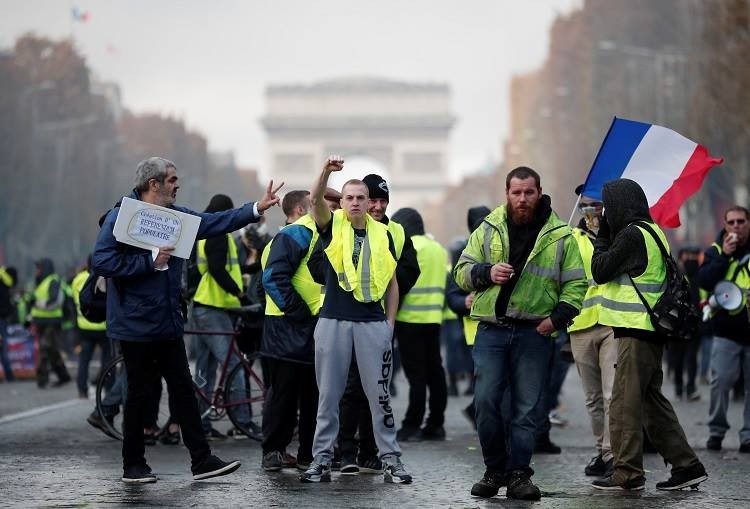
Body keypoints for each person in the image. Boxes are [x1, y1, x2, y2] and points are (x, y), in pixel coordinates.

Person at [93, 156, 282, 483]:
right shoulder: (120, 217)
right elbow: (102, 261)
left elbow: (213, 222)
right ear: (153, 184)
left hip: (166, 320)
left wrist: (256, 208)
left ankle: (201, 459)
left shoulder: (177, 217)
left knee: (183, 388)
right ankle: (133, 465)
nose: (177, 184)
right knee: (138, 393)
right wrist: (149, 261)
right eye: (172, 179)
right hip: (135, 322)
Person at [453, 166, 586, 501]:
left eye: (529, 192)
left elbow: (576, 284)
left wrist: (555, 320)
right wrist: (486, 272)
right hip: (492, 331)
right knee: (485, 403)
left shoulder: (561, 235)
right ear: (507, 193)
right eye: (516, 192)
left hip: (534, 333)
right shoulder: (488, 228)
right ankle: (493, 470)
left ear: (539, 191)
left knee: (527, 410)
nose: (523, 199)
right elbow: (461, 273)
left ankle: (518, 476)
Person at [589, 178, 707, 491]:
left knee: (624, 405)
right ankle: (687, 466)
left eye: (608, 206)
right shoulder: (652, 231)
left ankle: (626, 473)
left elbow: (600, 269)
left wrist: (601, 233)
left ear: (618, 205)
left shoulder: (630, 235)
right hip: (651, 331)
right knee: (651, 403)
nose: (606, 213)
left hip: (637, 332)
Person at [301, 156, 411, 484]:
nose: (355, 202)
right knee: (328, 396)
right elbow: (316, 199)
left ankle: (390, 458)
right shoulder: (330, 224)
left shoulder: (385, 234)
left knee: (379, 396)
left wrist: (389, 323)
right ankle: (321, 459)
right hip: (333, 320)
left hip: (372, 323)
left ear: (369, 202)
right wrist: (324, 172)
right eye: (348, 197)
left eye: (361, 197)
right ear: (342, 202)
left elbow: (392, 282)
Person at [337, 174, 419, 474]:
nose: (377, 206)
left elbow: (410, 270)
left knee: (377, 390)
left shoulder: (396, 231)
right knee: (349, 389)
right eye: (372, 199)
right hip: (345, 318)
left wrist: (387, 296)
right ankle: (345, 449)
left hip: (377, 319)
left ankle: (369, 451)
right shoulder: (342, 224)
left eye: (383, 200)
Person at [260, 190, 321, 472]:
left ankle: (306, 453)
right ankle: (274, 450)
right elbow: (273, 277)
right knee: (285, 394)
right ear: (300, 208)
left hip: (298, 323)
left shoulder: (309, 232)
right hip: (289, 324)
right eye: (316, 201)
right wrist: (301, 313)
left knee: (311, 394)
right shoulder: (297, 233)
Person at [191, 193, 253, 440]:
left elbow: (227, 267)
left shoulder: (208, 232)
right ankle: (244, 421)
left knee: (205, 370)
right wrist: (239, 293)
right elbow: (218, 270)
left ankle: (203, 424)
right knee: (234, 366)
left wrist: (253, 267)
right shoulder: (218, 234)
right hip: (213, 306)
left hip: (204, 305)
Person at [565, 186, 616, 477]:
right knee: (593, 398)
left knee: (611, 394)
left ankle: (612, 454)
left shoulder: (617, 235)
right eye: (585, 204)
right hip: (581, 324)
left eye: (596, 204)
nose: (591, 210)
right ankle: (601, 451)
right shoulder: (571, 238)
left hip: (611, 321)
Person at [390, 207, 448, 442]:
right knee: (435, 373)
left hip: (408, 318)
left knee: (416, 377)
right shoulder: (438, 249)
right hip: (433, 318)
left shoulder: (408, 246)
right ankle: (436, 423)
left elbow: (401, 284)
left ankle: (411, 425)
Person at [698, 205, 750, 453]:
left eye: (741, 221)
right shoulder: (715, 251)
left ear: (748, 223)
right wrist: (724, 257)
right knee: (721, 382)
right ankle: (716, 431)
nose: (737, 226)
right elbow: (705, 281)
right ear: (725, 225)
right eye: (732, 222)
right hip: (726, 329)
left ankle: (748, 435)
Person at [446, 206, 491, 429]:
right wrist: (464, 302)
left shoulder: (507, 244)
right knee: (485, 382)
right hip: (475, 331)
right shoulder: (466, 254)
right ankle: (482, 418)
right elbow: (453, 295)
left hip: (501, 327)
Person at [28, 258, 72, 388]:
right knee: (52, 351)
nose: (36, 271)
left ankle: (42, 379)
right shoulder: (41, 282)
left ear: (45, 268)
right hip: (41, 322)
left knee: (45, 349)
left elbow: (54, 301)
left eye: (39, 268)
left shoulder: (53, 280)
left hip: (52, 322)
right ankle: (63, 376)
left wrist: (38, 303)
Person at [71, 256, 111, 398]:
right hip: (103, 327)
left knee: (84, 361)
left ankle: (82, 390)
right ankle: (108, 390)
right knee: (107, 361)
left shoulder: (77, 280)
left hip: (84, 327)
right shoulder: (104, 277)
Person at [670, 247, 703, 402]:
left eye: (693, 256)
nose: (691, 259)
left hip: (695, 323)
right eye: (687, 256)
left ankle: (690, 388)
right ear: (681, 258)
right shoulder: (675, 275)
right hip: (678, 324)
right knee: (678, 357)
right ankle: (678, 385)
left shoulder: (701, 276)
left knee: (692, 357)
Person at [0, 266, 18, 382]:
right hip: (1, 320)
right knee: (3, 348)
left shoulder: (3, 281)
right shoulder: (3, 285)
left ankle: (9, 374)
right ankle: (9, 375)